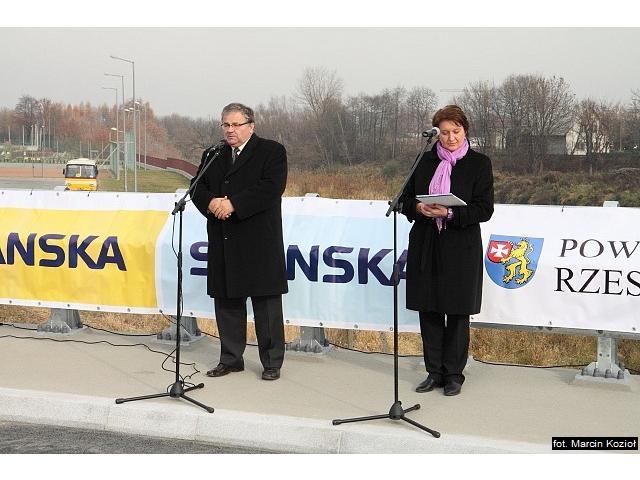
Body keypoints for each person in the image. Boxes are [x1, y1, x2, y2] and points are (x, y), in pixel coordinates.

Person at [400, 105, 494, 396]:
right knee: (428, 309)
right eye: (444, 132)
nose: (451, 137)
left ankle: (454, 374)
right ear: (436, 133)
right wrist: (419, 208)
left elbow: (484, 209)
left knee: (456, 311)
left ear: (466, 131)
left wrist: (450, 214)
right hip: (426, 243)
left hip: (460, 246)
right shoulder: (424, 161)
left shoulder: (479, 163)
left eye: (456, 131)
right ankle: (434, 372)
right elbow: (404, 199)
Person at [191, 103, 288, 381]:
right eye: (226, 125)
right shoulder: (213, 154)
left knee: (266, 306)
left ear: (251, 126)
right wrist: (212, 203)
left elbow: (271, 188)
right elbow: (197, 187)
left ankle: (272, 362)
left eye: (236, 125)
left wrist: (233, 204)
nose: (230, 130)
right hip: (224, 239)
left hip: (259, 242)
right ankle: (231, 359)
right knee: (227, 303)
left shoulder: (271, 151)